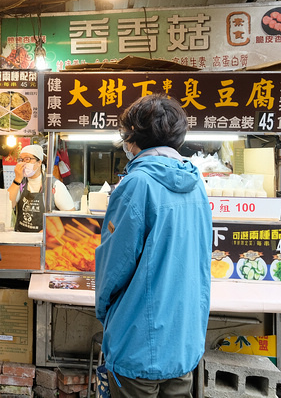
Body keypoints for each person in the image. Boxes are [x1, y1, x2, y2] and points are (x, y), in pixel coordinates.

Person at [95, 94, 212, 398]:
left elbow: (114, 266)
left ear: (132, 136)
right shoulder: (196, 182)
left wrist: (105, 312)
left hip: (137, 342)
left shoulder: (136, 184)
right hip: (183, 339)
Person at [8, 144, 75, 232]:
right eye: (21, 160)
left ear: (39, 162)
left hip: (45, 240)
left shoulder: (54, 185)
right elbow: (8, 205)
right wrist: (17, 179)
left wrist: (47, 231)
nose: (23, 163)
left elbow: (71, 215)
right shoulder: (19, 183)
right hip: (21, 238)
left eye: (27, 159)